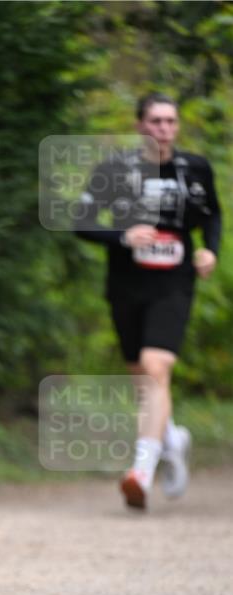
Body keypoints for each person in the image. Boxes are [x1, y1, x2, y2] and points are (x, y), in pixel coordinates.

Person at [74, 93, 221, 509]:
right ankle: (172, 439)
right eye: (156, 121)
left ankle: (141, 470)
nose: (164, 129)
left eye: (171, 121)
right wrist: (122, 236)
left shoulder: (195, 168)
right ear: (140, 125)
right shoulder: (114, 170)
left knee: (156, 367)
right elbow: (81, 222)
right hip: (127, 284)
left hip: (174, 282)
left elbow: (212, 215)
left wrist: (210, 250)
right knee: (142, 377)